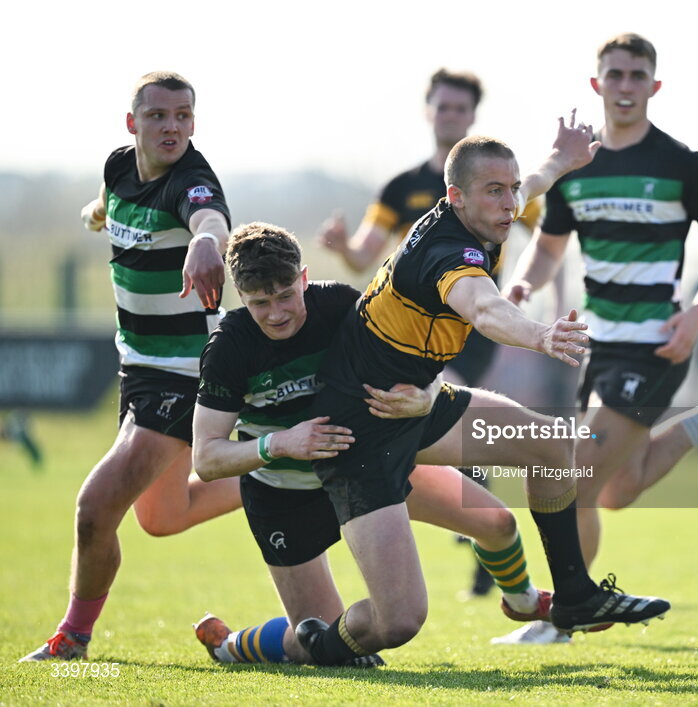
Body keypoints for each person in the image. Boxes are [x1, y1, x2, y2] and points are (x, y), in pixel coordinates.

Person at [296, 112, 671, 667]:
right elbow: (484, 307)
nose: (510, 203)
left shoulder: (480, 215)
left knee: (550, 446)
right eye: (495, 191)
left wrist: (561, 160)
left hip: (416, 404)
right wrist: (542, 335)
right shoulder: (449, 252)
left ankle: (573, 597)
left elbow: (528, 188)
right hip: (362, 429)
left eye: (512, 189)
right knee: (398, 621)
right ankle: (311, 646)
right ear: (456, 197)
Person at [502, 34, 698, 643]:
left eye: (636, 75)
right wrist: (520, 286)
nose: (624, 85)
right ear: (597, 85)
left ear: (653, 86)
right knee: (615, 490)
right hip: (599, 345)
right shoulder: (578, 168)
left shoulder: (683, 165)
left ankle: (566, 617)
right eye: (613, 74)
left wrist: (696, 316)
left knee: (577, 475)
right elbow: (550, 245)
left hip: (657, 345)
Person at [190, 223, 553, 665]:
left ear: (304, 278)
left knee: (496, 522)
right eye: (259, 304)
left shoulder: (343, 304)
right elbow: (207, 458)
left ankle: (526, 602)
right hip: (287, 496)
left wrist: (431, 394)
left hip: (366, 463)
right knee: (322, 643)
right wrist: (280, 443)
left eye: (286, 295)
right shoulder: (229, 348)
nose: (277, 313)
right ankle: (231, 647)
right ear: (241, 299)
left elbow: (419, 358)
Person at [21, 72, 240, 662]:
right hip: (139, 368)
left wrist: (206, 243)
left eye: (184, 116)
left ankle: (73, 637)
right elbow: (108, 200)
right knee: (163, 517)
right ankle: (280, 472)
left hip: (182, 375)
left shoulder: (191, 180)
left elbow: (209, 217)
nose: (173, 127)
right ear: (132, 124)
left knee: (95, 508)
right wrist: (96, 212)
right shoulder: (119, 167)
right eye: (159, 116)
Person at [316, 69, 553, 597]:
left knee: (443, 410)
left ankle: (483, 543)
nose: (451, 116)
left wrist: (530, 287)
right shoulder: (402, 189)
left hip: (472, 326)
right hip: (407, 335)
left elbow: (541, 216)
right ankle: (461, 522)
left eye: (460, 109)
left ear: (471, 116)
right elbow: (363, 256)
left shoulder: (495, 181)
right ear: (429, 111)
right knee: (421, 402)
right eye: (443, 107)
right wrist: (341, 247)